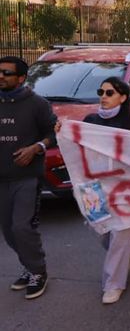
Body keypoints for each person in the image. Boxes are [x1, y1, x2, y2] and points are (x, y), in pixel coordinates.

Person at [0, 56, 56, 301]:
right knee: (8, 231)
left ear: (21, 78)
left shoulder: (38, 104)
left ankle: (38, 271)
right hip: (2, 179)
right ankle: (28, 265)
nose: (1, 77)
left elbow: (52, 134)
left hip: (27, 178)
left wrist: (36, 148)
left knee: (22, 227)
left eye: (7, 73)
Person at [82, 78, 130, 304]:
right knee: (101, 230)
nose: (103, 96)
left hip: (125, 188)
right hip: (93, 188)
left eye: (109, 92)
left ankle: (113, 284)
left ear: (123, 97)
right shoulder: (90, 120)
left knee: (119, 236)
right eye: (101, 91)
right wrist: (62, 130)